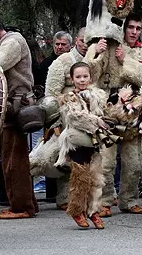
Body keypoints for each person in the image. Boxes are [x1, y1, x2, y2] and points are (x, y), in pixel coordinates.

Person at [85, 13, 142, 217]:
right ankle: (105, 200)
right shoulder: (107, 45)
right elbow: (88, 73)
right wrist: (96, 54)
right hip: (108, 106)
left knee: (133, 161)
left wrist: (126, 61)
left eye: (138, 28)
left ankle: (129, 199)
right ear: (123, 28)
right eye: (131, 27)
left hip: (134, 108)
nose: (134, 32)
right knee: (106, 160)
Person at [0, 15, 38, 219]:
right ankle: (27, 203)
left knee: (15, 159)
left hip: (18, 103)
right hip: (12, 103)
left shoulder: (12, 41)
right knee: (13, 156)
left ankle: (22, 207)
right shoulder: (10, 41)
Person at [40, 27, 88, 209]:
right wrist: (56, 121)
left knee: (89, 159)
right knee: (67, 157)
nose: (85, 44)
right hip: (66, 117)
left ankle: (87, 197)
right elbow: (51, 94)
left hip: (88, 116)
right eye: (83, 40)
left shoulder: (94, 59)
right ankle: (64, 198)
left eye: (89, 41)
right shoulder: (62, 61)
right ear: (77, 40)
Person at [56, 62, 106, 229]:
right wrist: (96, 121)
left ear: (90, 77)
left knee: (96, 179)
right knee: (80, 178)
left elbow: (103, 114)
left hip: (94, 143)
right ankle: (77, 210)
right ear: (72, 79)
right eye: (78, 77)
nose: (82, 80)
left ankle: (94, 211)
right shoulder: (69, 97)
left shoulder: (98, 95)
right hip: (78, 142)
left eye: (85, 76)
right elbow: (75, 117)